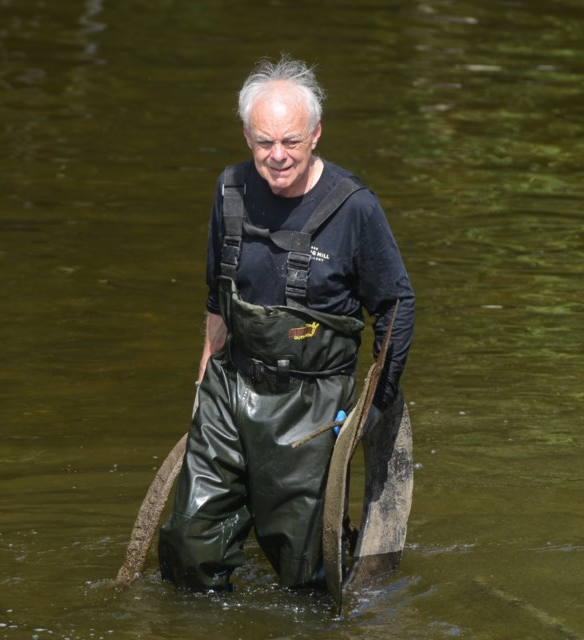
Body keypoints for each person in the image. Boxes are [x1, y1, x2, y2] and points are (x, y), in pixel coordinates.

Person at [158, 55, 415, 592]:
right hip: (230, 389)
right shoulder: (228, 190)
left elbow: (396, 306)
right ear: (248, 136)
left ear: (316, 134)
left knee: (306, 575)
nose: (277, 157)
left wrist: (378, 402)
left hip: (315, 404)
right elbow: (217, 298)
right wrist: (204, 379)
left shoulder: (356, 208)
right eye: (264, 142)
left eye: (291, 142)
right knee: (187, 545)